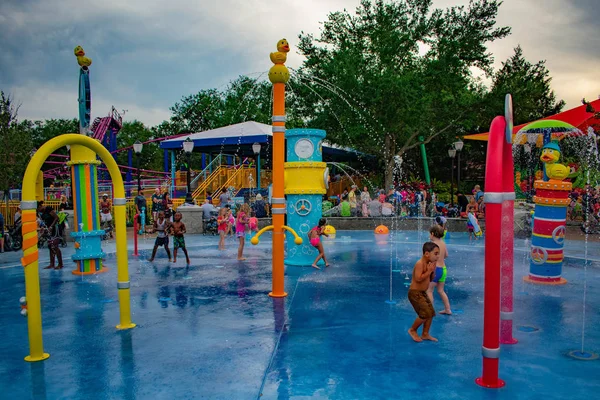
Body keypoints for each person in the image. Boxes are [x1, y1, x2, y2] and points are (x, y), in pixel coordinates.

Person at [407, 241, 439, 342]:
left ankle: (425, 334)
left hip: (422, 293)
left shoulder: (429, 264)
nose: (437, 257)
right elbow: (418, 278)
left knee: (431, 313)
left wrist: (432, 272)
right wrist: (429, 271)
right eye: (436, 254)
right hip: (415, 293)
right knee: (424, 314)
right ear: (426, 254)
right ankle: (412, 330)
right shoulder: (420, 263)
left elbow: (430, 279)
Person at [427, 225, 452, 315]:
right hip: (443, 269)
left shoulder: (433, 245)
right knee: (441, 290)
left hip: (435, 270)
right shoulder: (443, 243)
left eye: (430, 234)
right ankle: (448, 309)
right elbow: (446, 255)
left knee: (429, 290)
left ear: (432, 234)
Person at [37, 201, 63, 269]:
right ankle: (52, 263)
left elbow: (56, 218)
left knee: (55, 246)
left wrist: (51, 226)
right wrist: (43, 228)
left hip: (55, 228)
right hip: (49, 230)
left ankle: (60, 264)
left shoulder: (48, 209)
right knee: (50, 246)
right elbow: (45, 222)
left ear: (40, 206)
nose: (37, 211)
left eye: (37, 209)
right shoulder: (41, 213)